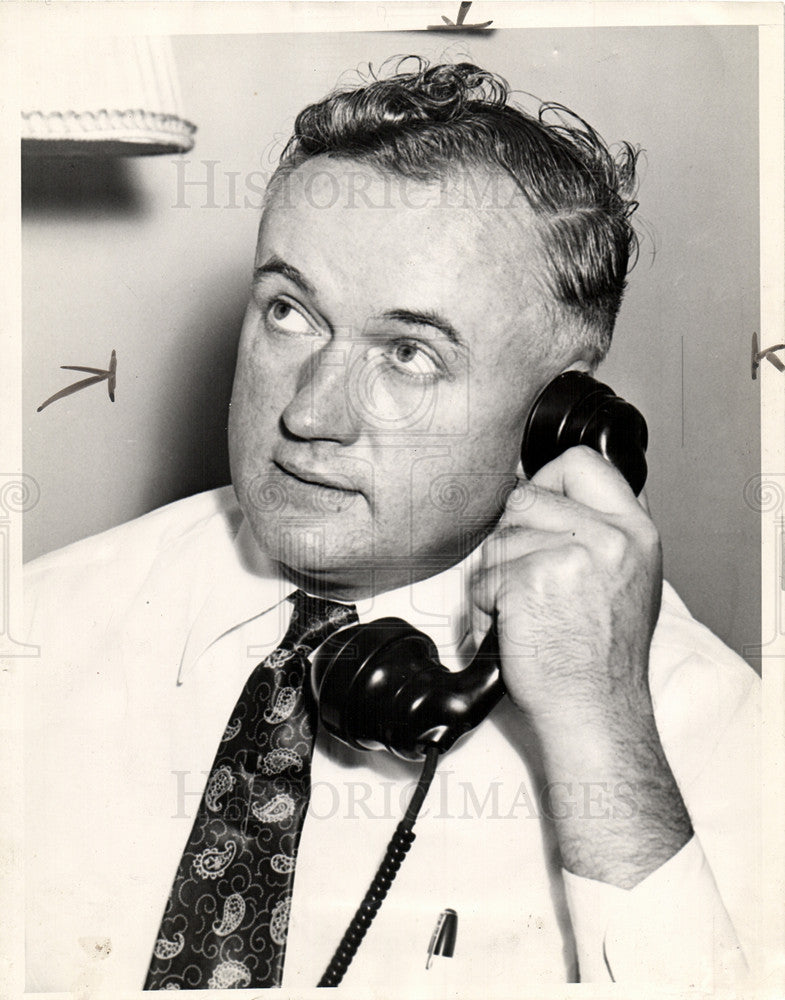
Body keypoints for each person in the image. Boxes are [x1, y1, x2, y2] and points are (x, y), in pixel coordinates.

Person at [23, 59, 759, 992]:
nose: (309, 415)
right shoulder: (42, 626)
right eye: (289, 312)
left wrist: (598, 741)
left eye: (409, 353)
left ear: (559, 418)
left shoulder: (697, 724)